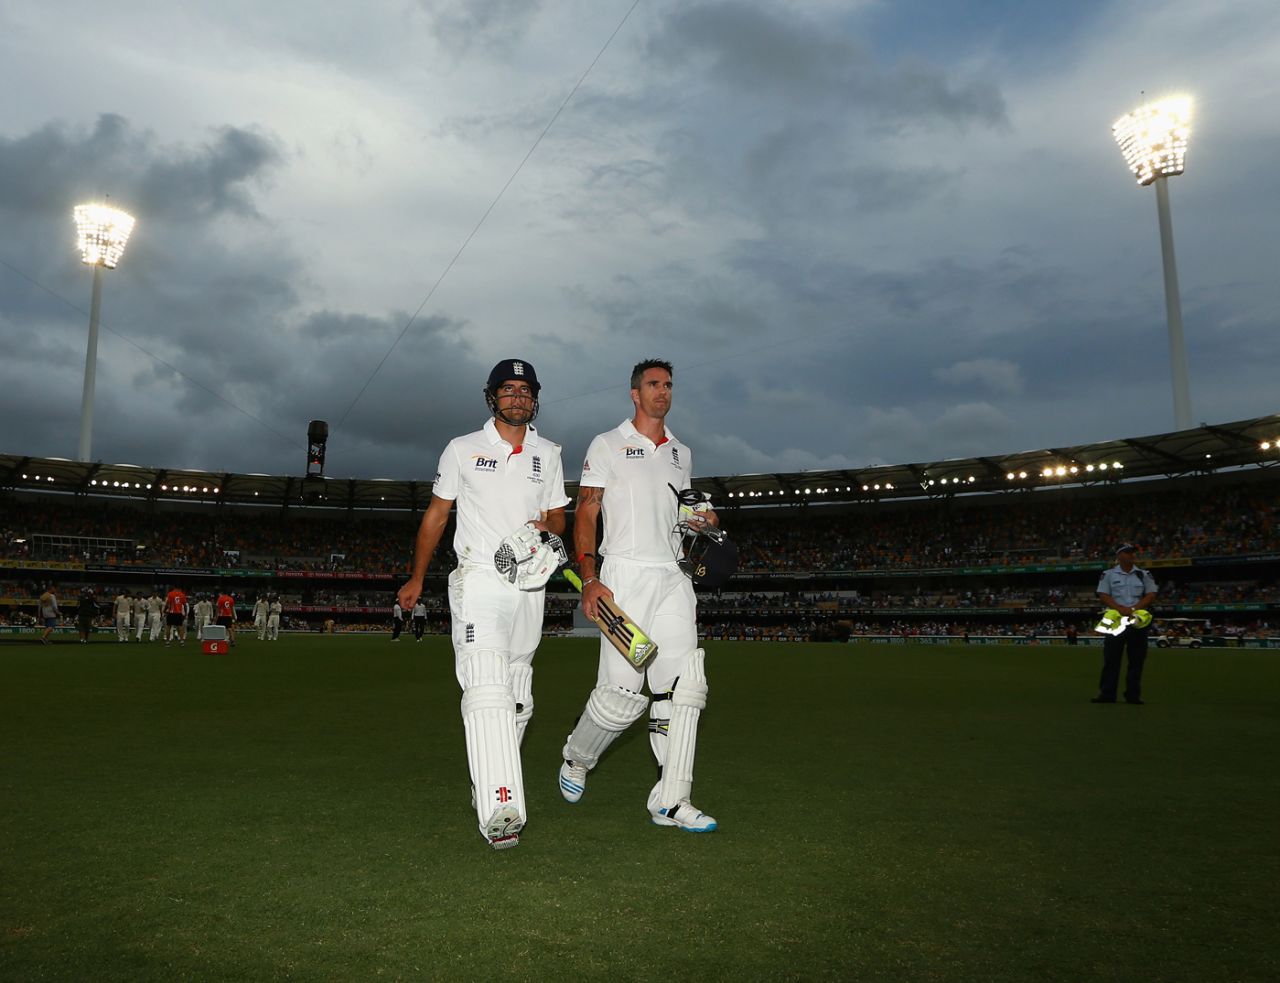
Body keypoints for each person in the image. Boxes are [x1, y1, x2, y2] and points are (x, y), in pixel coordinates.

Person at [397, 358, 570, 850]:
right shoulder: (462, 449)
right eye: (508, 389)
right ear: (491, 396)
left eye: (525, 390)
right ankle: (501, 809)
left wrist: (545, 529)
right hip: (479, 579)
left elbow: (558, 516)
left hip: (530, 586)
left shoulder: (549, 452)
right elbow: (436, 517)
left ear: (535, 398)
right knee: (486, 683)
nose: (517, 397)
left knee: (517, 695)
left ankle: (487, 784)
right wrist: (417, 578)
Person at [558, 358, 719, 832]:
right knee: (620, 698)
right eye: (653, 385)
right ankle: (577, 757)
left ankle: (671, 799)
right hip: (624, 576)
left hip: (674, 576)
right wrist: (589, 577)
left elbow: (687, 511)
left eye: (668, 385)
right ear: (635, 393)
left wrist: (703, 522)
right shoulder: (607, 444)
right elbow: (586, 511)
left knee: (682, 690)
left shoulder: (681, 453)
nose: (662, 392)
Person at [1093, 544, 1158, 705]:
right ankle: (1107, 694)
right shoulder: (1108, 574)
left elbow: (1151, 595)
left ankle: (1133, 695)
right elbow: (1103, 594)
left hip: (1137, 621)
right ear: (1119, 555)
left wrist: (1133, 608)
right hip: (1116, 620)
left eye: (1132, 553)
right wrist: (1120, 609)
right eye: (1127, 552)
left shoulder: (1144, 574)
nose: (1131, 555)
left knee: (1137, 660)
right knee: (1111, 659)